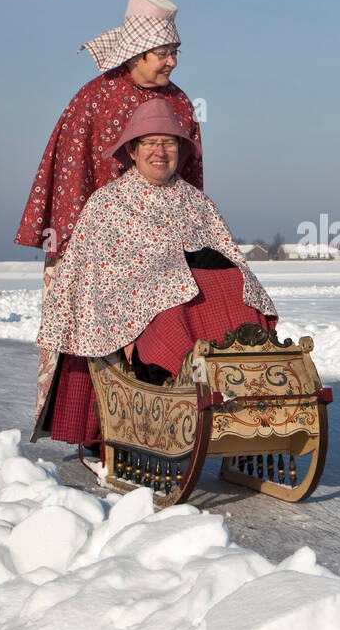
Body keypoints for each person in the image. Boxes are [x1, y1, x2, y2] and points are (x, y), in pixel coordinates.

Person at [36, 101, 276, 447]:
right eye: (150, 142)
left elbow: (227, 255)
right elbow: (94, 276)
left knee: (236, 284)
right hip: (129, 309)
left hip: (197, 301)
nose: (160, 152)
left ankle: (245, 387)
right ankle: (179, 387)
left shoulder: (197, 203)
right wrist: (168, 274)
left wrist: (203, 267)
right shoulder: (108, 203)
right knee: (173, 301)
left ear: (180, 150)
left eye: (169, 143)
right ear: (133, 151)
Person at [16, 0, 202, 427]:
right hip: (101, 244)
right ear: (137, 52)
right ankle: (97, 429)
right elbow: (69, 175)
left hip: (162, 245)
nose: (172, 62)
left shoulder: (179, 103)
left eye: (175, 53)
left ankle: (167, 416)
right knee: (97, 332)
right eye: (164, 53)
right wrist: (74, 248)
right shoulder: (93, 98)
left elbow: (190, 177)